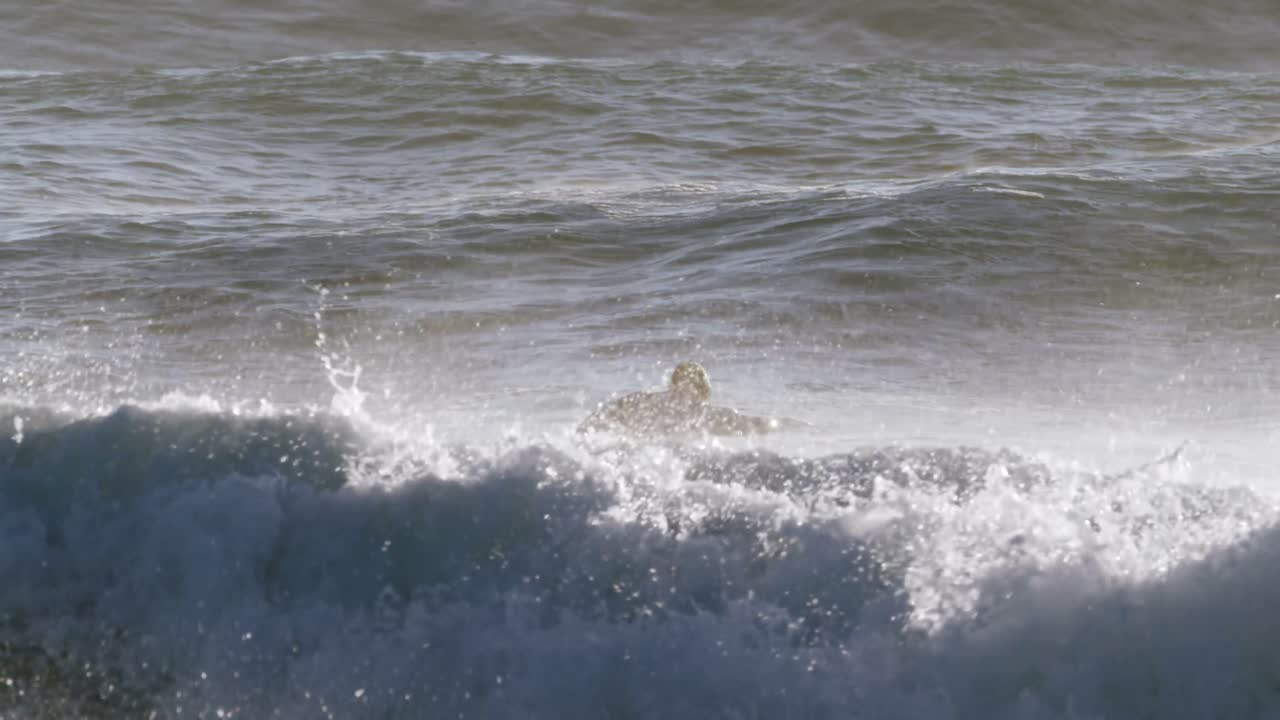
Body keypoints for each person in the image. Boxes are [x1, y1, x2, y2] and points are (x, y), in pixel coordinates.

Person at [577, 361, 789, 438]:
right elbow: (607, 413)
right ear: (671, 390)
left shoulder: (708, 415)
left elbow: (754, 424)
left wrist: (793, 426)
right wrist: (584, 431)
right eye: (680, 393)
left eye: (693, 395)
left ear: (703, 396)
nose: (685, 400)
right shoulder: (647, 404)